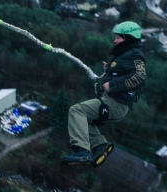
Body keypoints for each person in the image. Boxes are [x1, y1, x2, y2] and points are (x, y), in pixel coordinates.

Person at [62, 21, 146, 167]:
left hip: (116, 103)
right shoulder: (126, 55)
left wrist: (112, 85)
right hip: (114, 102)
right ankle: (100, 146)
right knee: (84, 120)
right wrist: (110, 70)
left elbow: (139, 77)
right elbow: (125, 73)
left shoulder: (135, 55)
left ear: (128, 39)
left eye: (118, 38)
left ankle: (82, 151)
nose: (115, 40)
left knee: (77, 111)